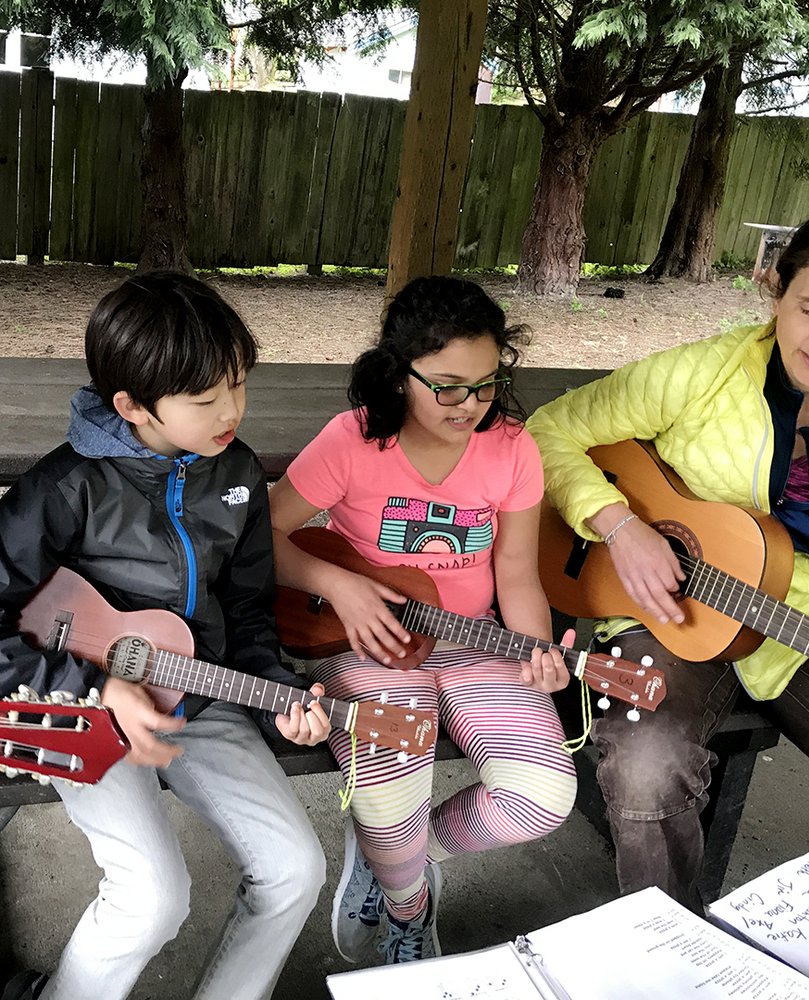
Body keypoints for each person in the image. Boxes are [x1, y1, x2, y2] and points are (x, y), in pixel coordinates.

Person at [525, 207, 809, 913]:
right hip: (669, 611)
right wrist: (618, 524)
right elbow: (550, 430)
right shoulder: (700, 374)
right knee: (650, 761)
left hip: (804, 631)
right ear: (775, 289)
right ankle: (667, 959)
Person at [0, 273, 331, 1000]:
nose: (233, 412)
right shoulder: (62, 488)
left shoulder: (238, 471)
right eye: (207, 399)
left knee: (298, 868)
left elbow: (246, 610)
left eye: (240, 386)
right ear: (131, 406)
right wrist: (94, 686)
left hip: (198, 694)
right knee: (152, 898)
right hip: (60, 703)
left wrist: (277, 693)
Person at [269, 275, 578, 965]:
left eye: (485, 382)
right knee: (388, 785)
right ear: (396, 373)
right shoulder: (352, 440)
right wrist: (336, 585)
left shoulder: (513, 448)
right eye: (445, 385)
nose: (468, 404)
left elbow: (518, 574)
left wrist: (532, 649)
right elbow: (264, 534)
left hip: (473, 644)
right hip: (365, 641)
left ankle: (395, 855)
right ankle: (410, 902)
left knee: (542, 796)